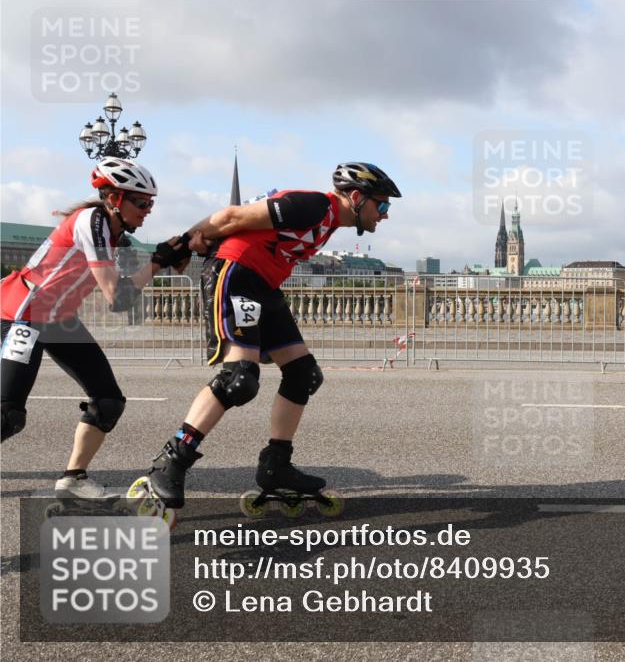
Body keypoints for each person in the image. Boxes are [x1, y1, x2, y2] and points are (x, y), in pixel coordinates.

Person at [133, 162, 401, 509]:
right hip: (236, 275)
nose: (385, 215)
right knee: (239, 380)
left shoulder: (329, 221)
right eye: (382, 206)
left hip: (264, 285)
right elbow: (231, 216)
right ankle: (171, 460)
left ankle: (277, 465)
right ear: (355, 197)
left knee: (303, 374)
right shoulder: (313, 206)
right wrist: (184, 243)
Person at [0, 158, 192, 499]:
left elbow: (129, 283)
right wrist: (157, 262)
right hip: (24, 312)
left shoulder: (114, 234)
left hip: (58, 319)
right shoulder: (92, 221)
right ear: (115, 199)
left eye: (151, 203)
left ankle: (73, 480)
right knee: (8, 415)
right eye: (141, 202)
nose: (148, 210)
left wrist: (171, 255)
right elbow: (118, 297)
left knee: (108, 401)